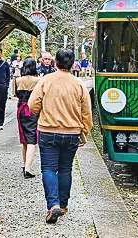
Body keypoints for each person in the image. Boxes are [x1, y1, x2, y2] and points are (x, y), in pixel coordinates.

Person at [29, 48, 93, 223]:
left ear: (55, 62)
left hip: (48, 131)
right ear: (72, 64)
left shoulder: (45, 81)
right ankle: (63, 205)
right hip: (71, 132)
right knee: (65, 169)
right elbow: (87, 113)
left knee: (49, 169)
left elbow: (33, 105)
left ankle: (53, 205)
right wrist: (84, 131)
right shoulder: (78, 84)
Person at [13, 57, 41, 178]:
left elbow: (14, 94)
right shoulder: (39, 80)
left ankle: (25, 165)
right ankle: (28, 169)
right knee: (31, 140)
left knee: (24, 138)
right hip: (32, 110)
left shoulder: (18, 80)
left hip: (21, 109)